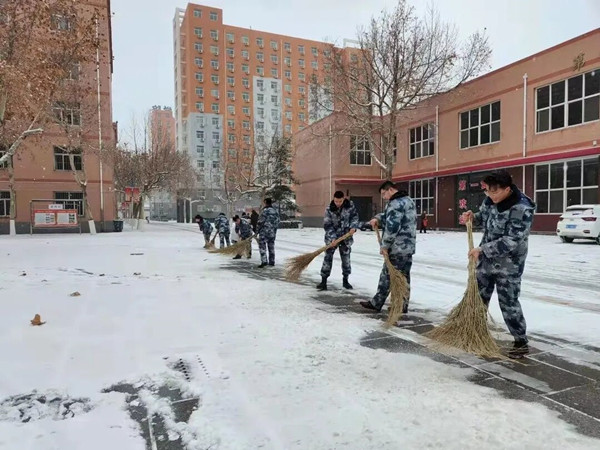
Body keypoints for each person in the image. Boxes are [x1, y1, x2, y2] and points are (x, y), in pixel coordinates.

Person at [461, 170, 535, 358]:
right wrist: (472, 217)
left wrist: (483, 249)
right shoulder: (491, 199)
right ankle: (474, 333)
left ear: (507, 189)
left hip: (509, 264)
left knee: (508, 302)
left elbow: (512, 240)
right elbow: (484, 216)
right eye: (487, 192)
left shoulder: (521, 208)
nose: (490, 196)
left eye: (494, 192)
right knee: (478, 297)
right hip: (486, 259)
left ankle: (520, 341)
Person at [360, 181, 417, 314]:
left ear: (390, 190)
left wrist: (385, 245)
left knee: (387, 275)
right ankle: (402, 304)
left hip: (397, 247)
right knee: (404, 276)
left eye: (384, 194)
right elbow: (388, 216)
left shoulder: (395, 203)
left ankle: (377, 303)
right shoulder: (408, 200)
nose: (384, 197)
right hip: (408, 247)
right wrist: (377, 218)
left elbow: (392, 227)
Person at [317, 191, 359, 291]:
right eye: (336, 201)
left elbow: (355, 217)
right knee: (327, 258)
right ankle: (323, 281)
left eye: (340, 201)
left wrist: (353, 227)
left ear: (344, 199)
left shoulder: (350, 206)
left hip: (346, 237)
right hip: (332, 239)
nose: (338, 203)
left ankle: (345, 280)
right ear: (334, 199)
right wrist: (333, 238)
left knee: (346, 259)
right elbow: (327, 225)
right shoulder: (329, 209)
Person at [256, 198, 280, 268]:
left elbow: (260, 222)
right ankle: (272, 261)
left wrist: (257, 231)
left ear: (266, 202)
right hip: (272, 232)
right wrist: (274, 230)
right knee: (271, 247)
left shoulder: (265, 211)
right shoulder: (275, 211)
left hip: (264, 232)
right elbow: (278, 221)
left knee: (262, 247)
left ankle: (264, 261)